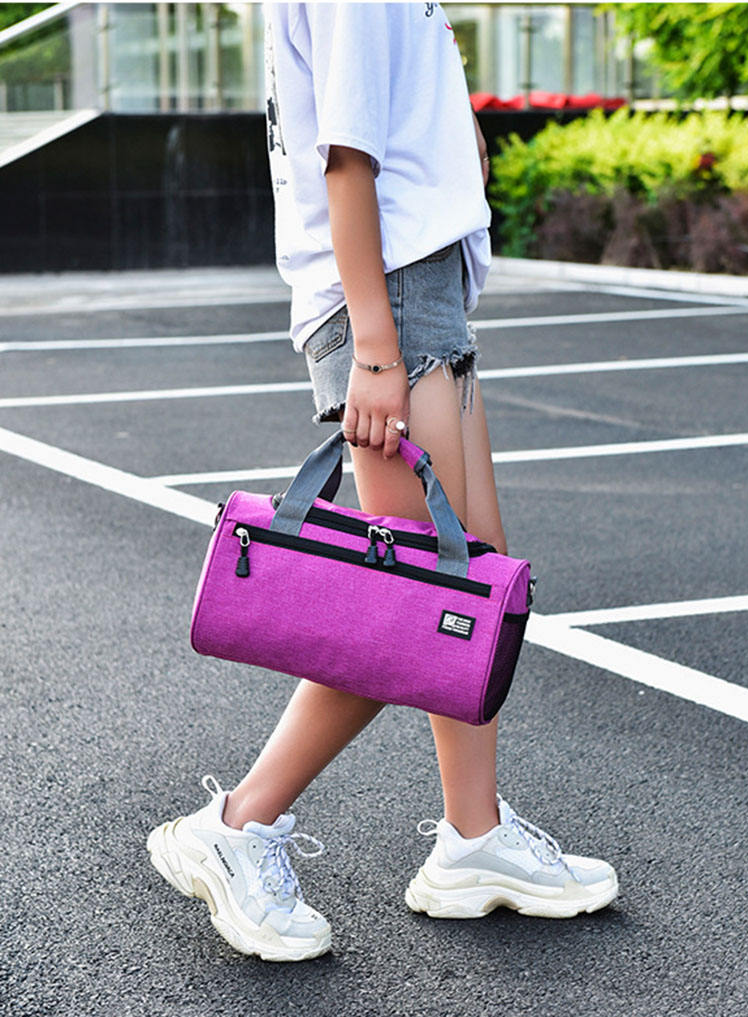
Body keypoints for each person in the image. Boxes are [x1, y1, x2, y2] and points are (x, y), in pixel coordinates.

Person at [147, 2, 618, 962]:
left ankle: (474, 837)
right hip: (388, 297)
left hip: (418, 286)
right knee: (411, 608)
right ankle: (235, 825)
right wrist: (373, 347)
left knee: (472, 581)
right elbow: (346, 160)